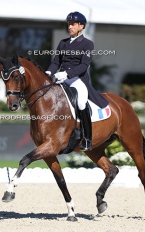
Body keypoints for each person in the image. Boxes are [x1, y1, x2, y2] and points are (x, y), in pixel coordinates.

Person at [46, 11, 108, 151]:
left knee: (81, 102)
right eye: (69, 24)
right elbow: (56, 62)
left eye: (73, 24)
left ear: (81, 26)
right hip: (61, 77)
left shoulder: (87, 44)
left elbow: (83, 66)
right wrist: (49, 72)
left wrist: (67, 74)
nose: (70, 26)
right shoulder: (63, 43)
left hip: (77, 79)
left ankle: (87, 138)